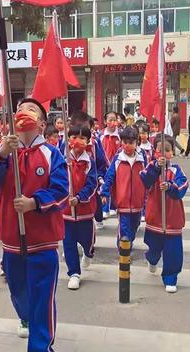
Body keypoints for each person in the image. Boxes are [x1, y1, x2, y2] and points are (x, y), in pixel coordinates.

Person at [0, 98, 68, 352]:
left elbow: (61, 192)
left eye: (31, 110)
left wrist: (34, 203)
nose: (24, 113)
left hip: (42, 242)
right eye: (20, 109)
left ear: (42, 123)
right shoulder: (5, 151)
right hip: (11, 240)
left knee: (42, 301)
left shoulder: (52, 154)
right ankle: (27, 318)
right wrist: (2, 155)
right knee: (19, 292)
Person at [141, 135, 188, 293]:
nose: (163, 154)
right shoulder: (150, 167)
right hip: (155, 217)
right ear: (155, 152)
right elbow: (145, 180)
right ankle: (152, 259)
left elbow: (183, 186)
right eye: (160, 150)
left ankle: (170, 277)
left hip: (173, 219)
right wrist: (155, 168)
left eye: (167, 151)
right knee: (154, 248)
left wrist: (170, 187)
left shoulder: (176, 171)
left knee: (173, 251)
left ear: (172, 153)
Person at [62, 125, 98, 290]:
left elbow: (92, 184)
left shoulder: (89, 161)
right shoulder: (62, 158)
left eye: (82, 138)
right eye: (74, 137)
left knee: (87, 241)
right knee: (68, 243)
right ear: (69, 139)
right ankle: (74, 273)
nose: (78, 141)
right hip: (66, 212)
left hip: (85, 211)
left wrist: (79, 198)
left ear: (88, 141)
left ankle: (88, 253)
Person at [101, 127, 147, 249]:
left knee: (135, 226)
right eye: (125, 142)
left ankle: (128, 243)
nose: (127, 146)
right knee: (124, 228)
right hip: (122, 202)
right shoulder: (118, 159)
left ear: (137, 143)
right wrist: (104, 192)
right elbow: (109, 176)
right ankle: (123, 251)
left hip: (138, 203)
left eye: (131, 143)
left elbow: (148, 178)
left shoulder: (142, 159)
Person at [68, 111, 108, 230]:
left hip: (90, 175)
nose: (81, 131)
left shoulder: (94, 142)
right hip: (73, 178)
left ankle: (97, 218)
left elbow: (102, 160)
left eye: (85, 128)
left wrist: (100, 176)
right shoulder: (67, 143)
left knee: (94, 197)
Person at [101, 112, 121, 218]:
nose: (113, 122)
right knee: (105, 185)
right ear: (105, 122)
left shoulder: (120, 135)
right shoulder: (101, 135)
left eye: (115, 120)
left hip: (117, 165)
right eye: (110, 120)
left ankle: (114, 206)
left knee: (116, 186)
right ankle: (104, 209)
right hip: (105, 166)